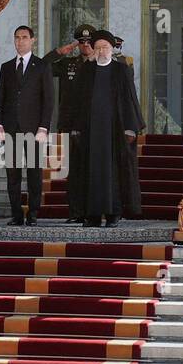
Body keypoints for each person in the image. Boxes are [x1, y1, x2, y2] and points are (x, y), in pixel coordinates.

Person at [73, 31, 144, 227]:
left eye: (105, 47)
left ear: (112, 49)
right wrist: (76, 128)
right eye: (98, 48)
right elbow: (76, 103)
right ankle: (93, 215)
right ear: (93, 50)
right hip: (90, 132)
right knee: (90, 172)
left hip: (115, 131)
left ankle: (114, 214)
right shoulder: (86, 71)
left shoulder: (121, 70)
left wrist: (131, 128)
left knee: (114, 173)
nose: (101, 51)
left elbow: (130, 100)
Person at [0, 25, 53, 226]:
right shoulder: (6, 67)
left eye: (25, 37)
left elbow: (48, 99)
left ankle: (33, 213)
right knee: (13, 174)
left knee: (34, 172)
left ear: (32, 40)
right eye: (17, 37)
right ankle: (17, 214)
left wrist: (44, 127)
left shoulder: (42, 66)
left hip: (34, 129)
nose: (20, 41)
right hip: (11, 128)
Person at [43, 24, 95, 222]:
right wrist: (58, 52)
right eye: (81, 43)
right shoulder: (69, 64)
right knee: (72, 172)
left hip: (92, 126)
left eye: (89, 42)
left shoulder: (102, 63)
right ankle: (75, 212)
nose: (85, 46)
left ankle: (92, 212)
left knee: (91, 170)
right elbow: (41, 66)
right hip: (69, 124)